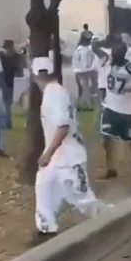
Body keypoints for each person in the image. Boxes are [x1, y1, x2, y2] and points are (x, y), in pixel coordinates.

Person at [32, 56, 105, 243]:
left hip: (69, 158)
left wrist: (47, 153)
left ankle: (114, 219)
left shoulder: (54, 94)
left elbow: (63, 126)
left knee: (84, 202)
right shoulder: (53, 91)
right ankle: (45, 230)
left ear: (34, 76)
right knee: (43, 187)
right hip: (57, 157)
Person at [100, 42, 131, 179]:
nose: (115, 56)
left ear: (123, 54)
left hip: (127, 111)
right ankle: (110, 169)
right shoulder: (110, 64)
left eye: (117, 54)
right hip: (110, 108)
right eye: (114, 53)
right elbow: (95, 47)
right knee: (106, 139)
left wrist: (125, 89)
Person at [0, 40, 21, 129]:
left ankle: (6, 123)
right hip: (6, 83)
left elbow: (19, 71)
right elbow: (19, 71)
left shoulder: (1, 57)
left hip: (5, 83)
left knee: (4, 104)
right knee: (6, 104)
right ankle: (7, 123)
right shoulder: (15, 57)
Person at [72, 37, 96, 110]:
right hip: (83, 71)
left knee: (82, 89)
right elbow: (86, 63)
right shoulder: (85, 50)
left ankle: (82, 106)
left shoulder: (78, 49)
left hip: (78, 71)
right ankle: (87, 106)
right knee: (85, 89)